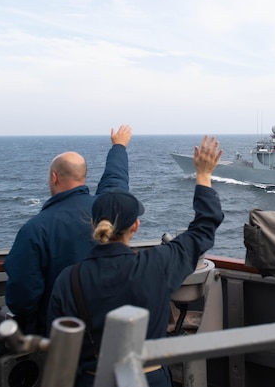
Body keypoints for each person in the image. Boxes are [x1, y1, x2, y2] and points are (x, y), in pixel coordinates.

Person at [47, 135, 224, 387]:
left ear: (93, 224)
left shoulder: (68, 279)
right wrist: (203, 176)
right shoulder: (157, 264)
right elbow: (203, 229)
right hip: (149, 377)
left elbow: (59, 347)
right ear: (136, 226)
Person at [4, 125, 134, 336]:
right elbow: (115, 182)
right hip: (110, 329)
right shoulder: (106, 212)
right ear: (83, 177)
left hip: (63, 336)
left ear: (54, 177)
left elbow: (22, 299)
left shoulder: (35, 229)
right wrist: (119, 147)